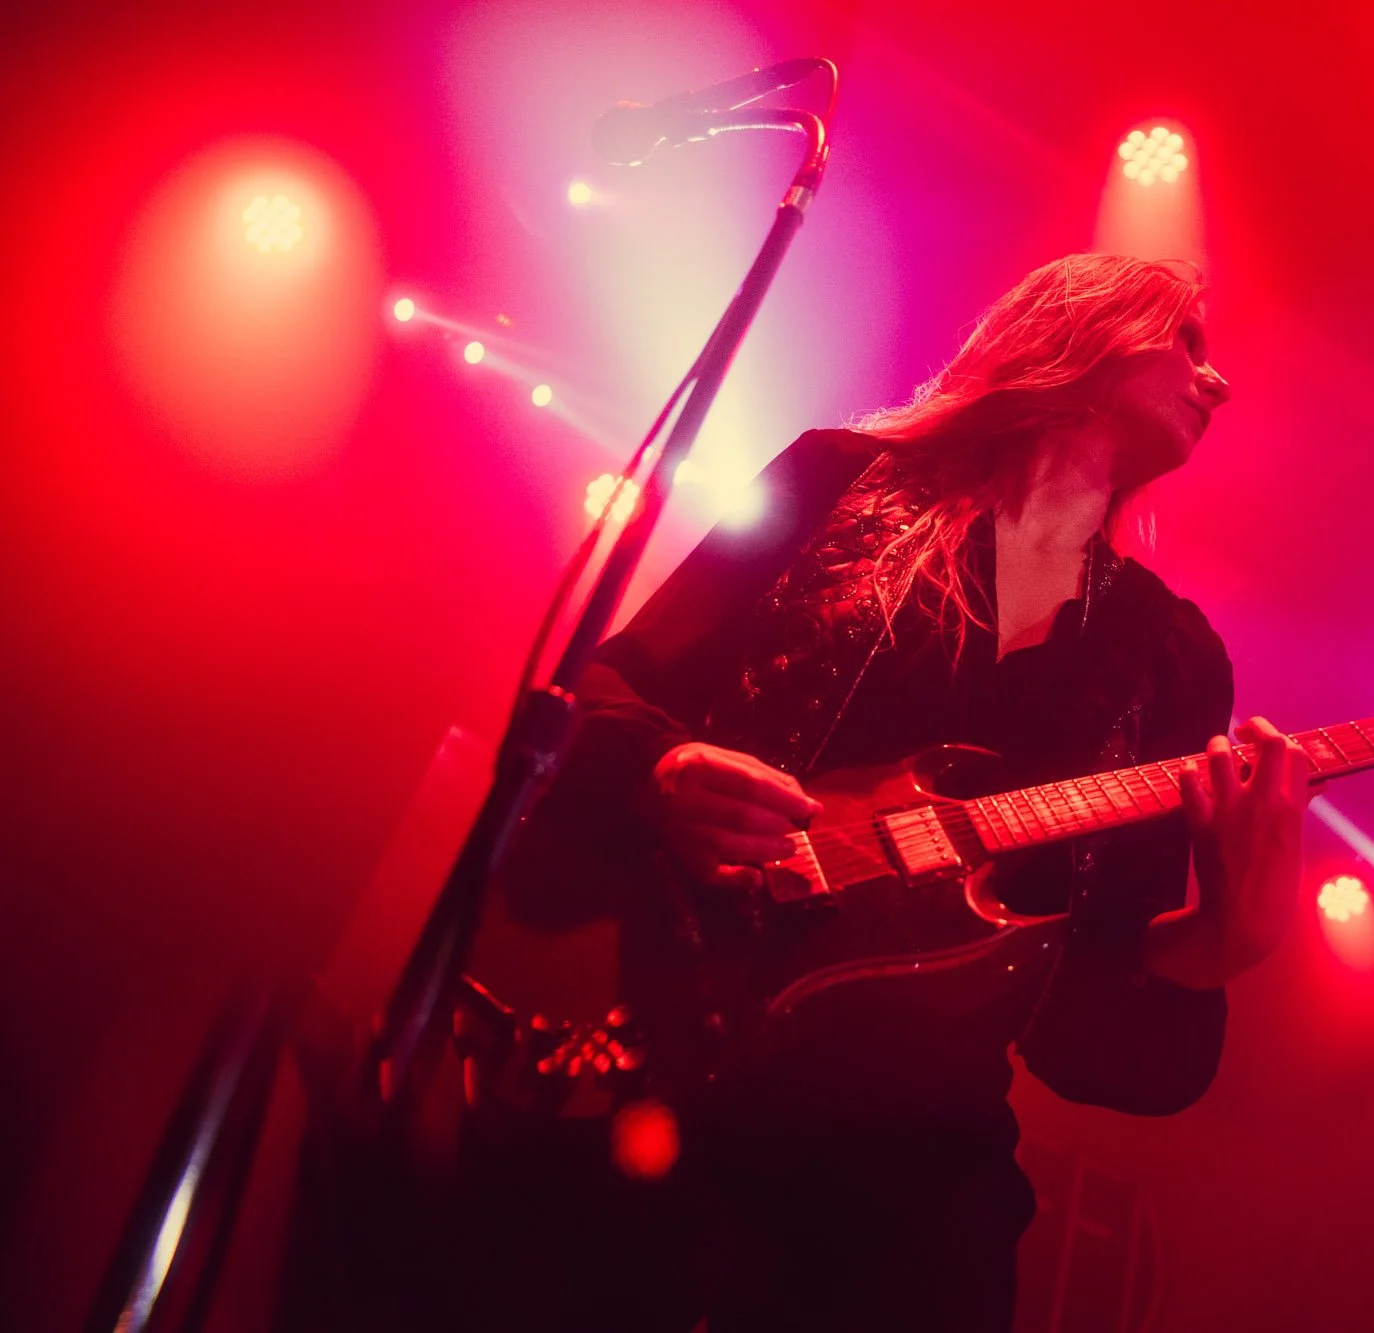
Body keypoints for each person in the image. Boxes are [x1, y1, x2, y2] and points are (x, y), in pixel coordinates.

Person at [484, 253, 1309, 1331]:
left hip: (912, 1188)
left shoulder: (1171, 657)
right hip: (660, 1057)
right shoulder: (837, 482)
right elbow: (610, 682)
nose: (1219, 380)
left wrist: (1224, 939)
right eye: (1185, 339)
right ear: (1084, 331)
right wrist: (662, 773)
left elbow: (1082, 997)